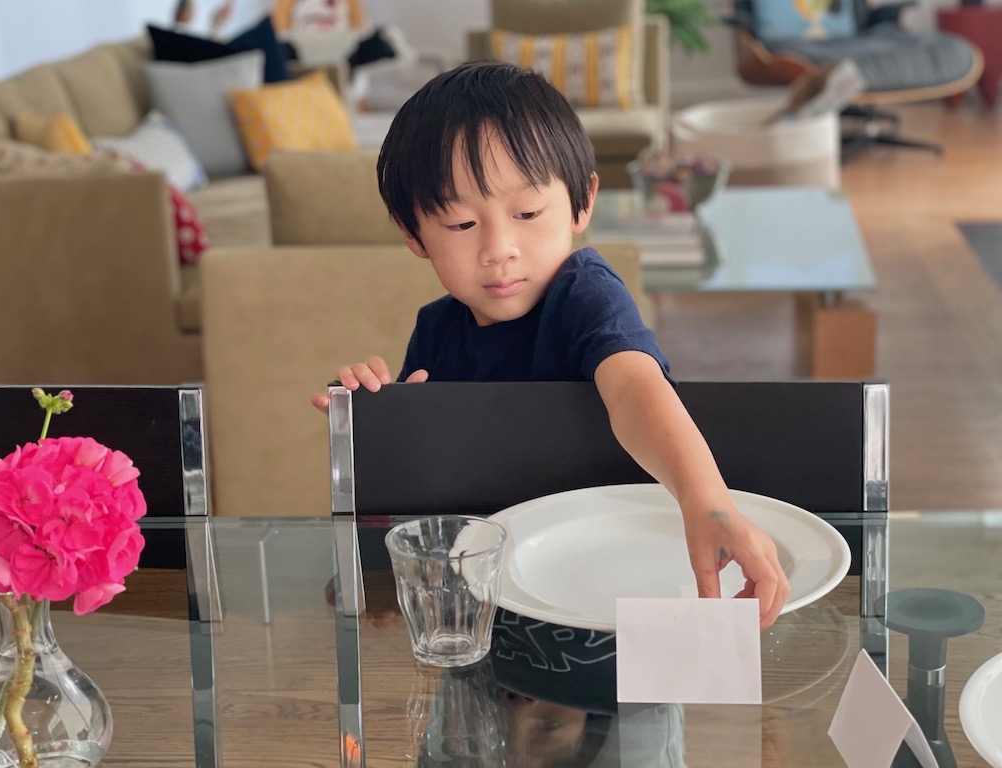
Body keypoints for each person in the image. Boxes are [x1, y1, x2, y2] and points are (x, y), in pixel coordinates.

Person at [311, 61, 790, 630]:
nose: (499, 248)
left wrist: (708, 503)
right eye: (462, 224)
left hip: (610, 600)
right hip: (494, 609)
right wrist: (384, 426)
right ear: (413, 232)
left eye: (528, 213)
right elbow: (436, 504)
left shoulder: (584, 294)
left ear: (582, 202)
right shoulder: (435, 330)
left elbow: (637, 388)